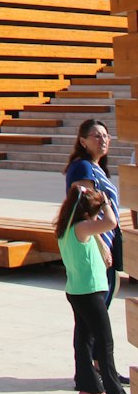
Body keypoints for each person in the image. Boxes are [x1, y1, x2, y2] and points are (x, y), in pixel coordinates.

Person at [55, 182, 130, 394]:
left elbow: (95, 228)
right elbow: (111, 223)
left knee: (84, 339)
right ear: (87, 214)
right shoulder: (82, 227)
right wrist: (107, 203)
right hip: (90, 292)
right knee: (105, 343)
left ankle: (89, 387)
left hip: (76, 291)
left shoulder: (67, 226)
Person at [64, 119, 122, 306]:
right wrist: (101, 245)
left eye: (106, 136)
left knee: (92, 318)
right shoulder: (83, 168)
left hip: (105, 240)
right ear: (83, 142)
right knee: (95, 312)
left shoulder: (96, 168)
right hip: (95, 245)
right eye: (96, 136)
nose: (103, 140)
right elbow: (85, 210)